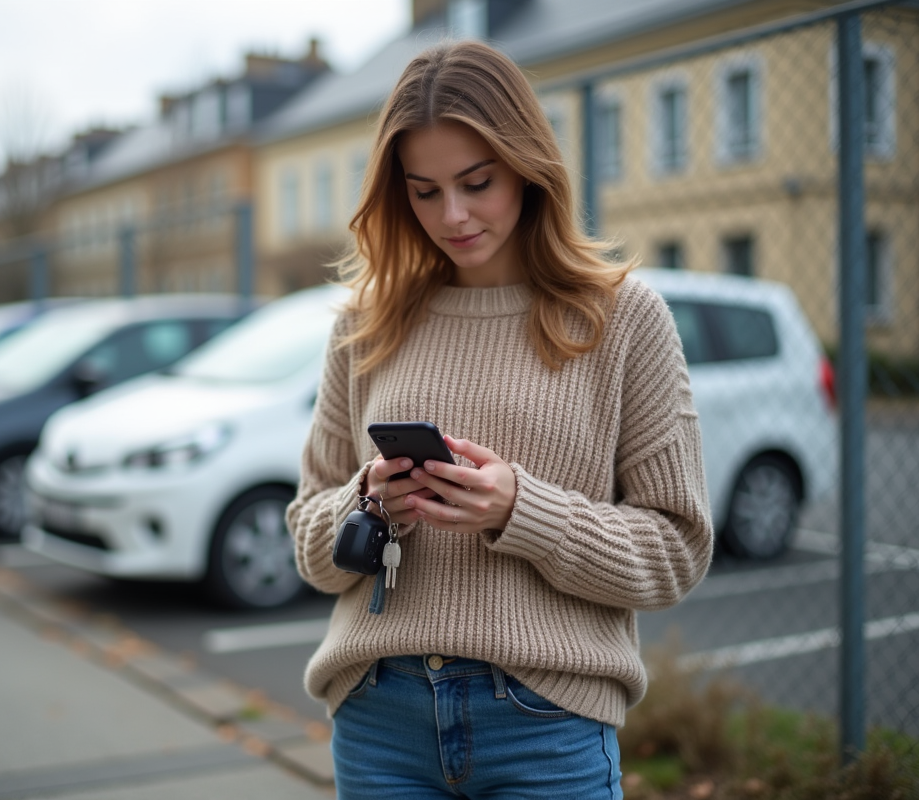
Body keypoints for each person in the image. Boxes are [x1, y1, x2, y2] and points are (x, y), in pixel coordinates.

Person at [286, 39, 714, 799]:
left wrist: (523, 509)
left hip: (547, 720)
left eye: (476, 182)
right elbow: (308, 541)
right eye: (423, 191)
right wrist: (369, 501)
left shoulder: (623, 319)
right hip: (380, 717)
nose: (452, 215)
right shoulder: (366, 322)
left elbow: (676, 549)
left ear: (526, 163)